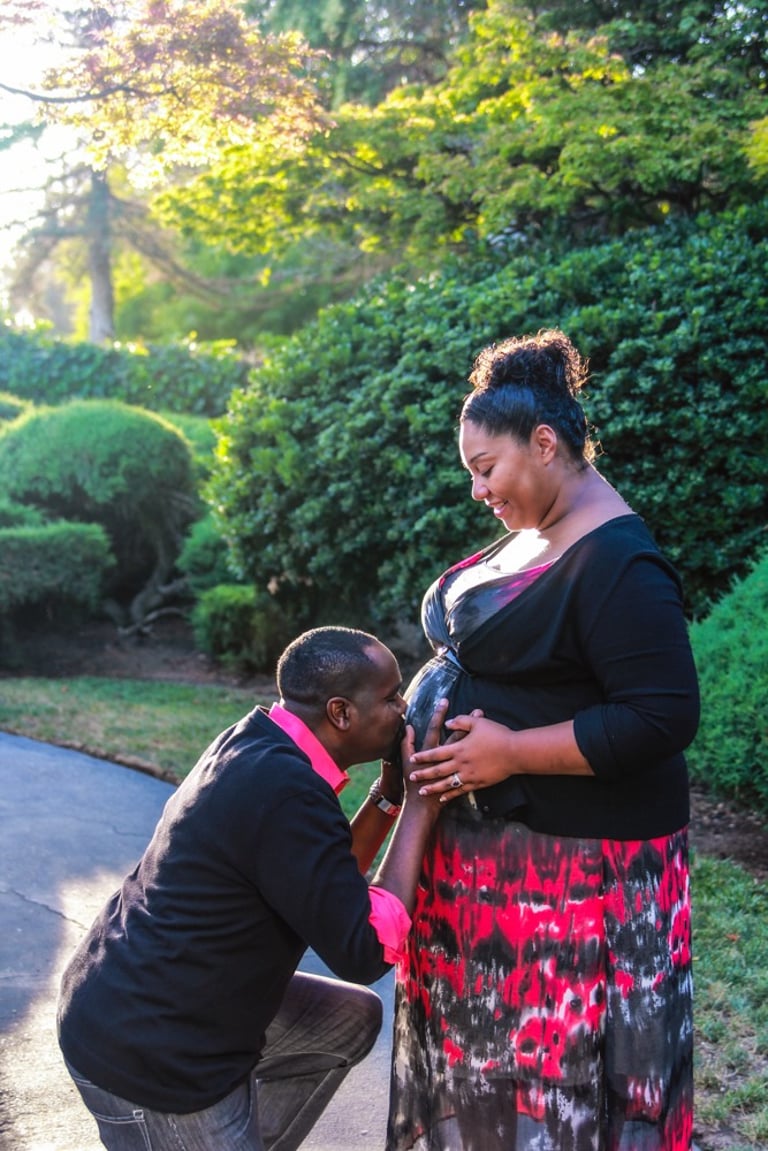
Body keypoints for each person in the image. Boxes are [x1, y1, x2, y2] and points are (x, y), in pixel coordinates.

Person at [385, 330, 700, 1151]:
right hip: (492, 882)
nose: (478, 489)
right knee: (498, 1089)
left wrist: (511, 751)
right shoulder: (537, 523)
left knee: (562, 1099)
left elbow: (662, 716)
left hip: (571, 887)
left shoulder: (620, 561)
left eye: (486, 467)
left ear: (546, 443)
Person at [58, 625, 446, 1151]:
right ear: (341, 713)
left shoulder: (258, 739)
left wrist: (389, 794)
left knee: (349, 1019)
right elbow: (365, 948)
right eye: (391, 697)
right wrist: (422, 803)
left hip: (134, 1007)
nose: (403, 710)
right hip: (153, 1059)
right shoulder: (287, 791)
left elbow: (321, 880)